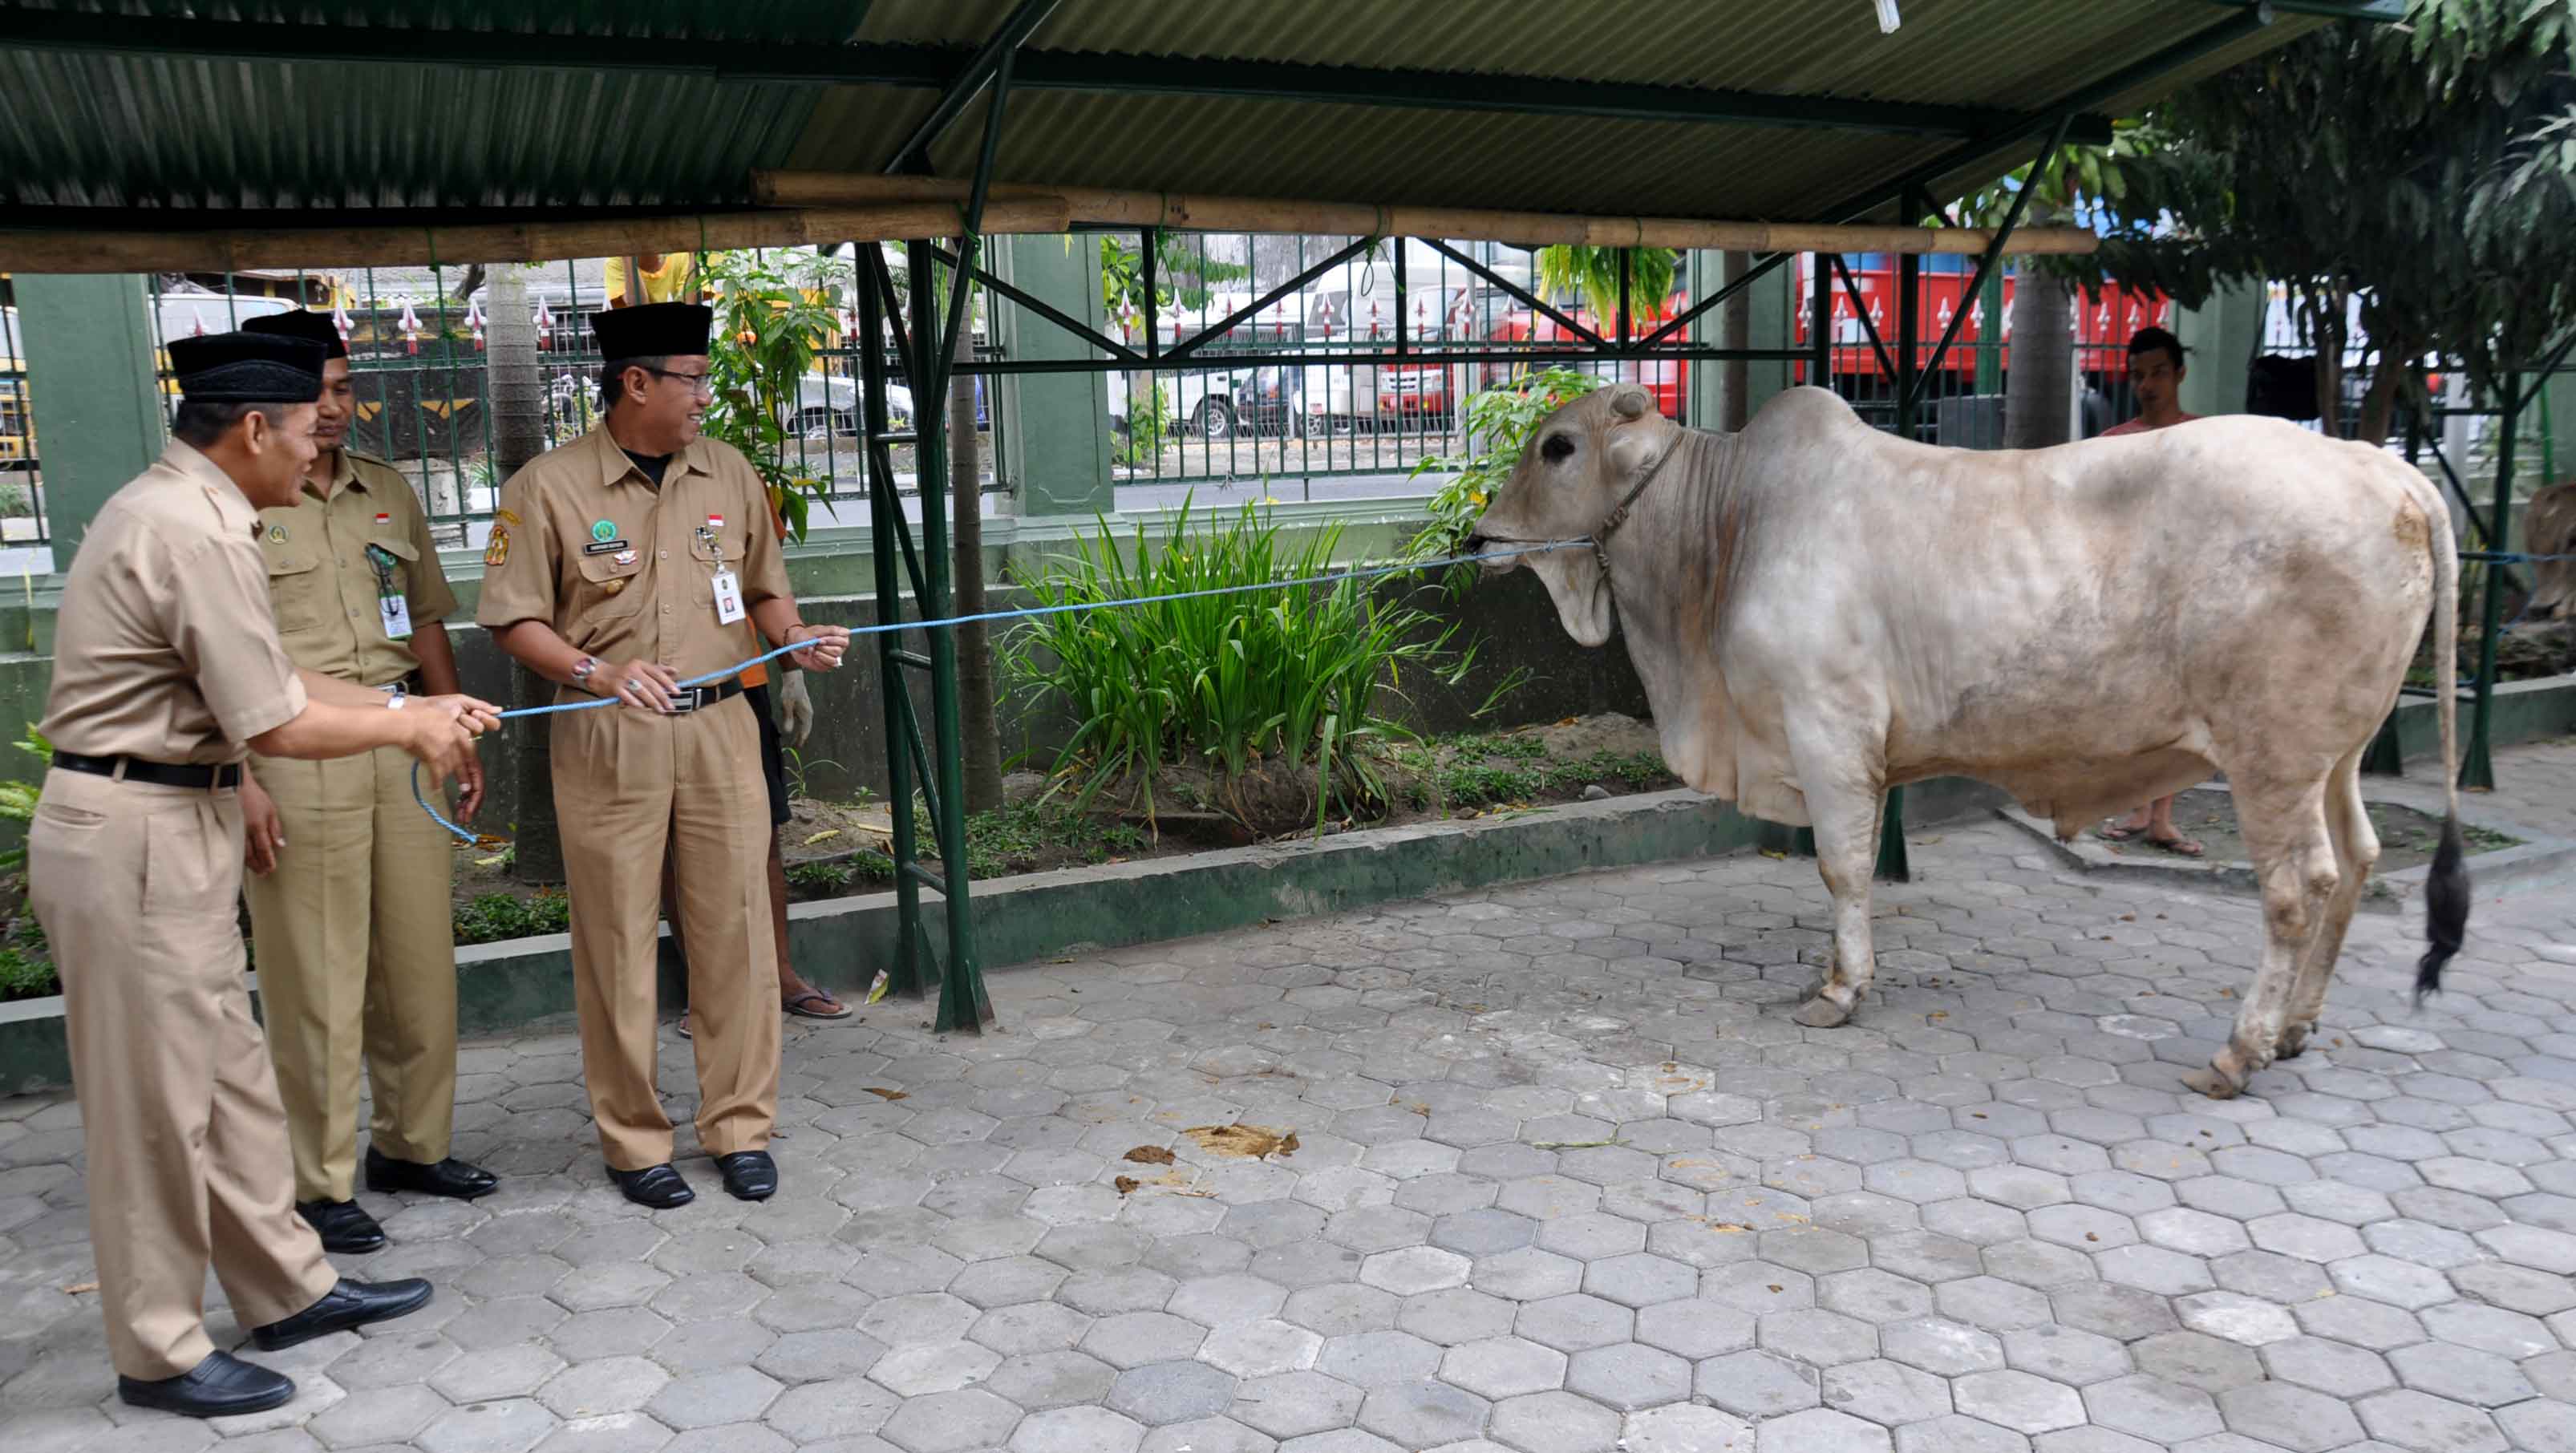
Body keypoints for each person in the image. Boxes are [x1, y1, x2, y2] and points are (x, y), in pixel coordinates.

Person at [28, 330, 496, 1418]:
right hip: (134, 831)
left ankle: (286, 1287)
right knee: (156, 1109)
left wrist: (409, 704)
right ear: (251, 430)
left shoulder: (184, 508)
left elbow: (276, 671)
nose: (314, 451)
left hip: (166, 821)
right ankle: (157, 1348)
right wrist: (408, 733)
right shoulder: (194, 532)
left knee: (233, 1081)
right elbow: (275, 723)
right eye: (302, 432)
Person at [476, 302, 852, 1209]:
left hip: (723, 726)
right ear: (635, 383)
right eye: (690, 378)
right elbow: (515, 618)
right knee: (615, 941)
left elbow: (763, 586)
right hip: (610, 734)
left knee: (735, 933)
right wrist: (597, 672)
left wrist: (794, 640)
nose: (703, 397)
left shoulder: (726, 470)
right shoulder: (547, 488)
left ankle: (739, 1127)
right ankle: (634, 1140)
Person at [229, 310, 498, 1257]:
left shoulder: (386, 493)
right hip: (292, 749)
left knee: (418, 960)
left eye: (347, 389)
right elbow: (218, 668)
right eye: (324, 394)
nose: (341, 409)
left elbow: (425, 621)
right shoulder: (242, 508)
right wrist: (240, 780)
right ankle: (319, 1179)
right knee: (318, 971)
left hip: (400, 735)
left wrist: (450, 724)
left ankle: (412, 1145)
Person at [668, 493, 844, 1034]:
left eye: (706, 398)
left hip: (738, 687)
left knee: (762, 831)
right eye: (692, 398)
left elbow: (766, 583)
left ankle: (780, 977)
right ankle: (705, 993)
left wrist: (790, 667)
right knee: (670, 840)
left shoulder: (733, 479)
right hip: (659, 691)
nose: (702, 402)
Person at [2098, 325, 2207, 857]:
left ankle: (2163, 817)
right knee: (2132, 707)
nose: (2148, 384)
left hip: (2189, 597)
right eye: (2139, 375)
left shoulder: (2208, 440)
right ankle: (2138, 807)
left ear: (2180, 373)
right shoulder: (2112, 444)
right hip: (2127, 598)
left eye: (2159, 372)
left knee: (2182, 708)